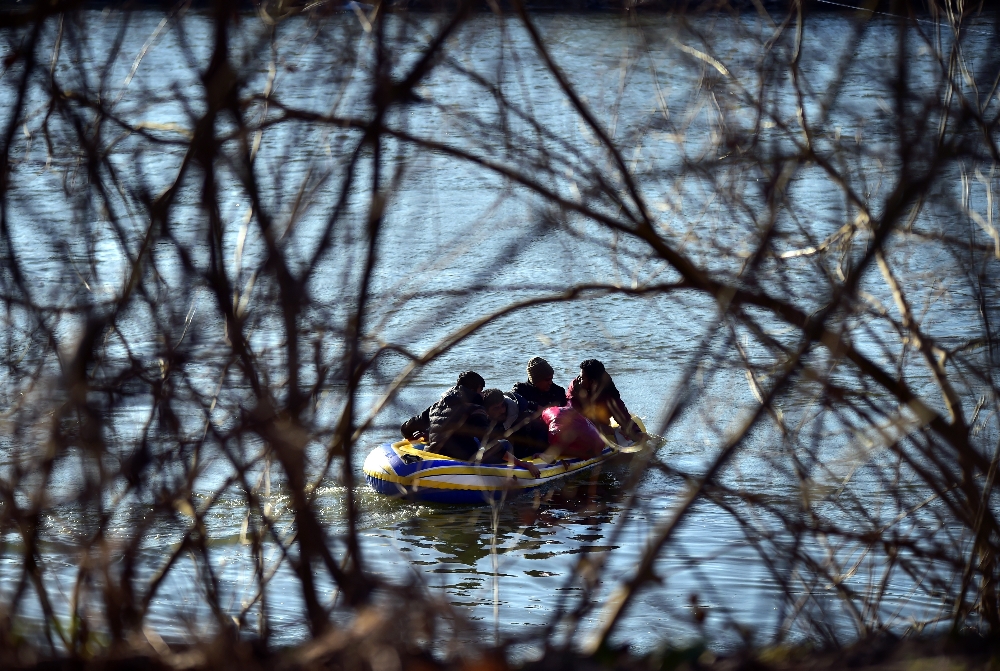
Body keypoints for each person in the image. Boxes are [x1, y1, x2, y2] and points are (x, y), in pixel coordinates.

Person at [567, 359, 643, 443]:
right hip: (581, 424)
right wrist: (598, 427)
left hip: (601, 419)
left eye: (582, 378)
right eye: (579, 376)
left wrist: (636, 432)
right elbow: (574, 414)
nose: (579, 380)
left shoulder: (608, 389)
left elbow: (619, 410)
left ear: (592, 382)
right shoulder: (575, 387)